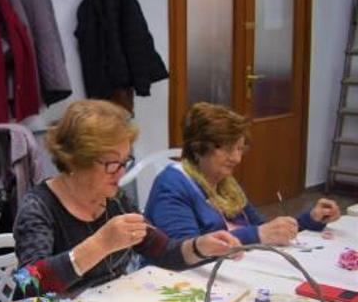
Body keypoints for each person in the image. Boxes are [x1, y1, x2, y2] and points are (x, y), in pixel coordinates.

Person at [13, 100, 241, 294]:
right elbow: (28, 284)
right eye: (112, 163)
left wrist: (201, 246)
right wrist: (100, 245)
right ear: (76, 160)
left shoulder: (115, 200)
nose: (122, 172)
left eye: (125, 161)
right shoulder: (39, 207)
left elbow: (162, 251)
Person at [144, 102, 341, 245]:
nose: (236, 159)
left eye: (239, 149)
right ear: (198, 147)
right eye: (228, 149)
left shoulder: (226, 185)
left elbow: (264, 228)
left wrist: (311, 220)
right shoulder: (172, 184)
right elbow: (185, 250)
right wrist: (256, 235)